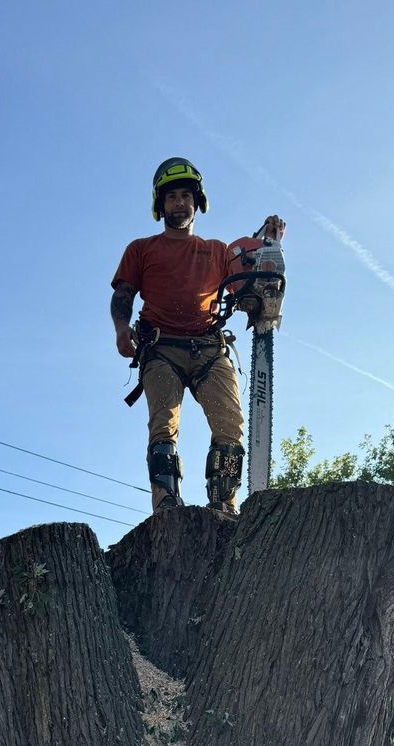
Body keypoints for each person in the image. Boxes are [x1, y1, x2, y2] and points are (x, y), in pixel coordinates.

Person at [111, 157, 285, 514]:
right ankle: (166, 504)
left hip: (208, 346)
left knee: (230, 425)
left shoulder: (218, 250)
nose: (179, 203)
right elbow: (123, 294)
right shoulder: (141, 249)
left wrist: (267, 245)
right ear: (161, 205)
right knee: (164, 426)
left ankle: (224, 506)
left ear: (197, 202)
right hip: (161, 347)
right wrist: (121, 329)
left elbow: (244, 284)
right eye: (172, 197)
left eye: (186, 196)